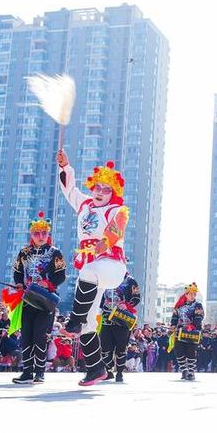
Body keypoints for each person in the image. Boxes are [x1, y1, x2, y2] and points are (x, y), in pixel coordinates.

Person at [57, 150, 130, 386]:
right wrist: (65, 165)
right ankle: (96, 369)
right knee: (89, 321)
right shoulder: (85, 205)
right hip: (91, 269)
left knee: (87, 273)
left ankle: (74, 320)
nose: (99, 192)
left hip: (111, 266)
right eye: (97, 187)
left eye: (105, 189)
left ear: (114, 192)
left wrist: (105, 241)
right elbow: (68, 189)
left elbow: (117, 227)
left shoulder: (117, 210)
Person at [9, 212, 66, 384]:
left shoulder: (55, 252)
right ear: (31, 235)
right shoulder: (23, 253)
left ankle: (40, 372)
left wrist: (47, 283)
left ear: (48, 234)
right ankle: (27, 372)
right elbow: (17, 272)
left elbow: (61, 276)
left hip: (46, 300)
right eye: (36, 233)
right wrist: (19, 283)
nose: (40, 237)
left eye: (44, 233)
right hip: (27, 299)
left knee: (41, 335)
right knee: (26, 335)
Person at [98, 273, 140, 383]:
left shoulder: (130, 281)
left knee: (121, 348)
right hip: (106, 318)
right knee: (105, 348)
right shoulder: (104, 278)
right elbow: (99, 297)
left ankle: (120, 373)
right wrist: (103, 304)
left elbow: (137, 297)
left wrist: (127, 305)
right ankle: (109, 370)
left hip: (122, 318)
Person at [170, 283, 204, 381]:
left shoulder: (197, 305)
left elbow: (199, 316)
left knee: (191, 351)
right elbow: (175, 317)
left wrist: (193, 325)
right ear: (186, 294)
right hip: (180, 331)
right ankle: (184, 370)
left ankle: (191, 372)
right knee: (178, 351)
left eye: (194, 294)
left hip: (193, 331)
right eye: (191, 294)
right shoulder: (179, 305)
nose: (193, 296)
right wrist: (172, 326)